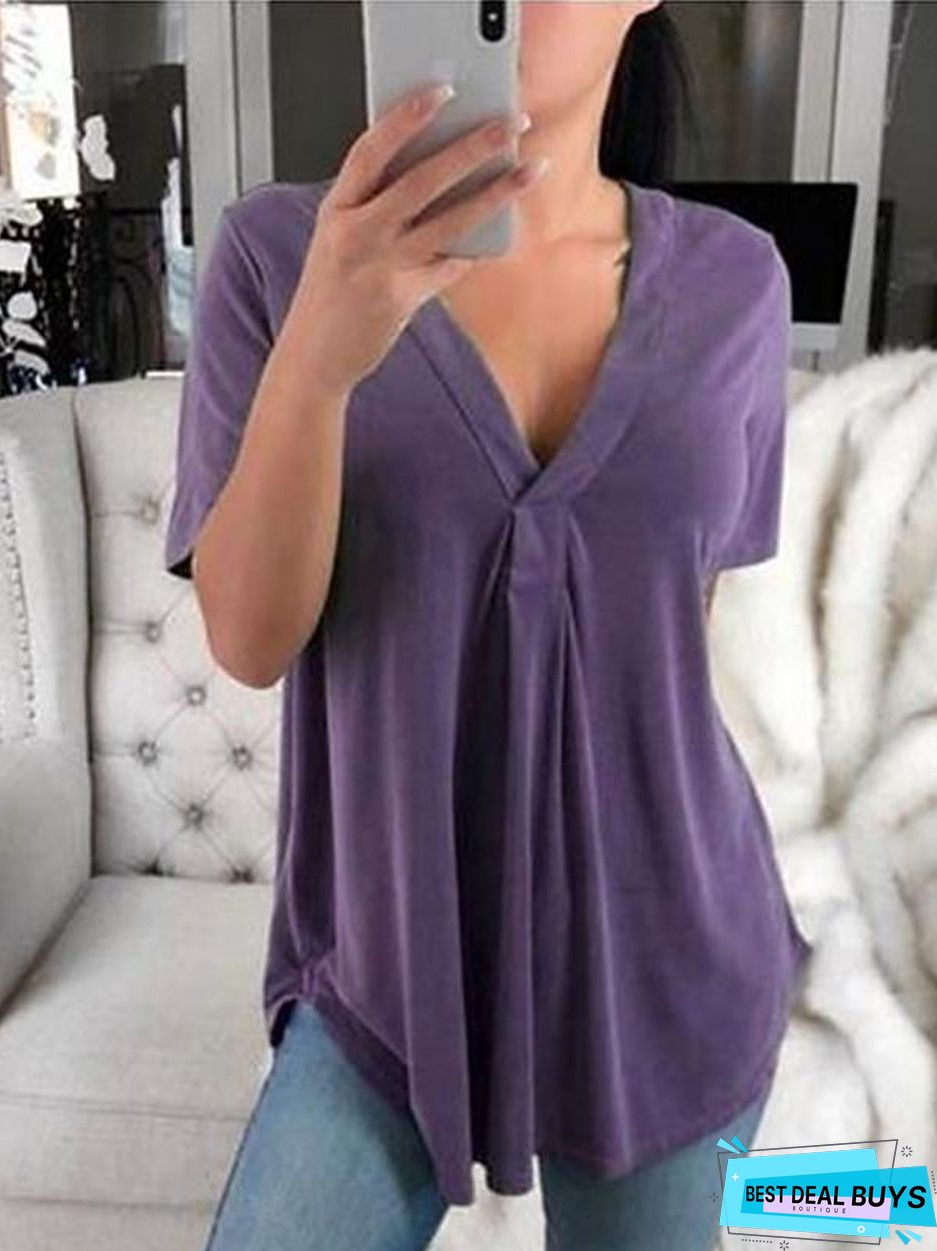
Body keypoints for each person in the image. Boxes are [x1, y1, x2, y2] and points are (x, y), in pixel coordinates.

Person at [165, 2, 813, 1248]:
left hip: (668, 954)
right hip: (387, 957)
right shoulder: (277, 254)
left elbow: (674, 629)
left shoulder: (736, 283)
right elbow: (248, 642)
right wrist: (319, 357)